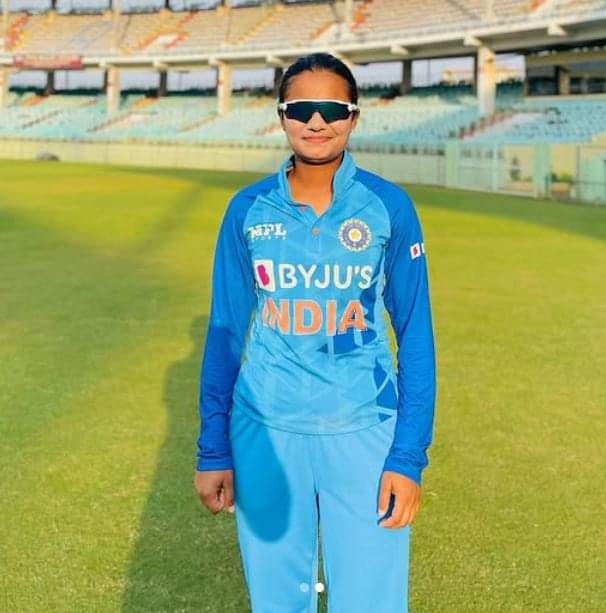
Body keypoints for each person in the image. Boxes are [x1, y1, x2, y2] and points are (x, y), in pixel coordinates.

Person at [194, 52, 437, 613]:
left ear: (354, 117)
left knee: (371, 602)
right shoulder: (248, 209)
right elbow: (225, 331)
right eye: (302, 108)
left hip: (365, 432)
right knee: (277, 602)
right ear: (282, 116)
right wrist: (213, 449)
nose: (317, 121)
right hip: (264, 433)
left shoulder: (388, 207)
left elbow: (415, 337)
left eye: (332, 108)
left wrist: (407, 456)